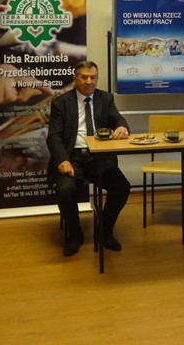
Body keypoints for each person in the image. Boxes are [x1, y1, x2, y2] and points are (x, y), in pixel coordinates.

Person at [47, 60, 131, 257]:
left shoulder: (105, 98)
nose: (89, 82)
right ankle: (74, 235)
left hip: (100, 157)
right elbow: (54, 136)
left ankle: (104, 231)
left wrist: (122, 126)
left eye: (93, 77)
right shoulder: (61, 102)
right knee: (64, 190)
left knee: (122, 187)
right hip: (73, 157)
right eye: (84, 77)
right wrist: (62, 160)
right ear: (75, 79)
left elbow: (117, 118)